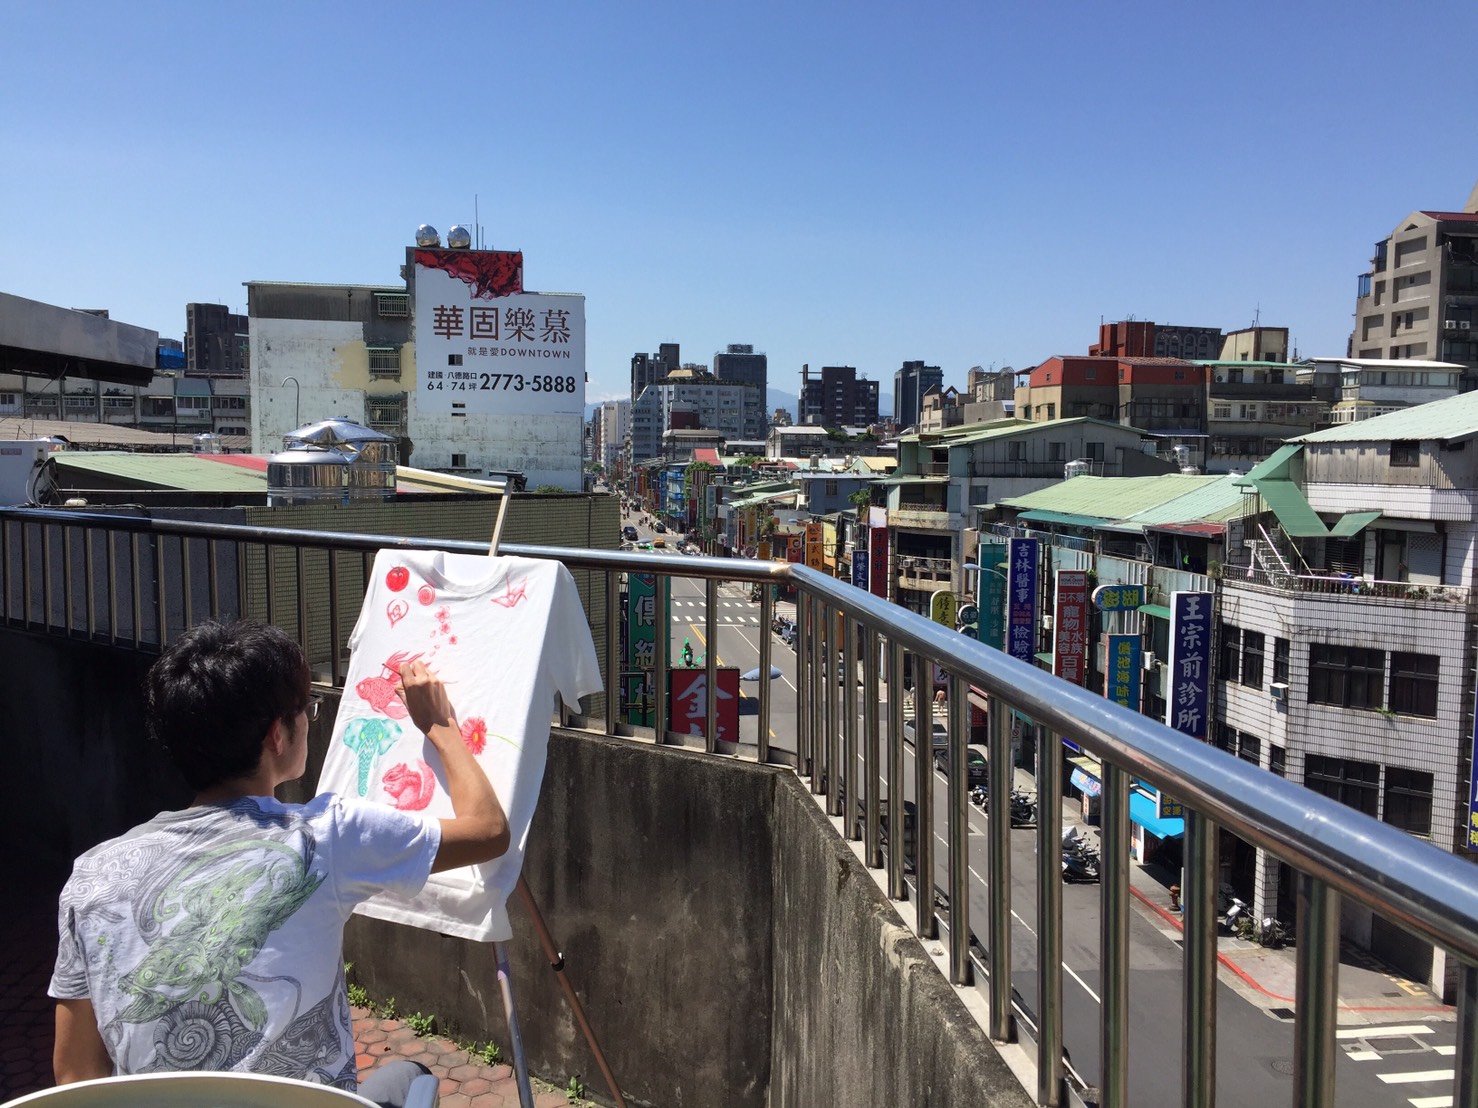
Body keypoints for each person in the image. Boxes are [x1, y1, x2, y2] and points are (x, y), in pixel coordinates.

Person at [48, 619, 509, 1105]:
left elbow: (75, 1073)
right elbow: (488, 830)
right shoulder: (324, 836)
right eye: (305, 708)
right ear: (277, 736)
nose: (309, 717)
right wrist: (439, 724)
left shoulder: (93, 876)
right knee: (412, 1075)